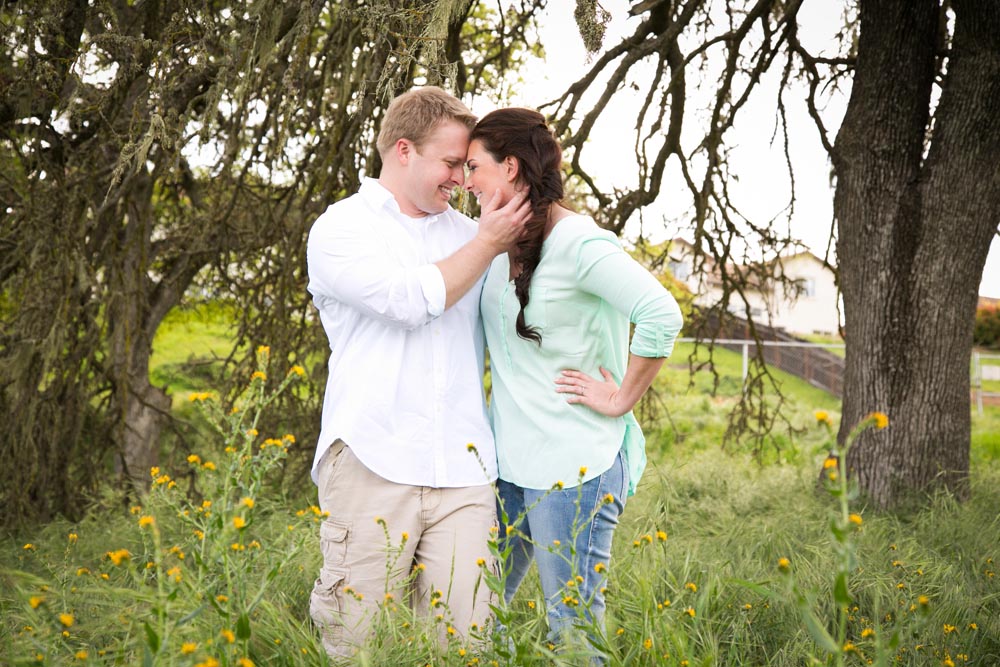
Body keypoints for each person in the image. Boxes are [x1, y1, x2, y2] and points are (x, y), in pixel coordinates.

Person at [305, 87, 531, 658]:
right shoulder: (341, 229)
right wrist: (487, 243)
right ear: (403, 150)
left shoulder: (472, 234)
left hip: (465, 469)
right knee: (353, 643)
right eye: (451, 162)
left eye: (465, 165)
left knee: (466, 646)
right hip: (371, 459)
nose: (460, 178)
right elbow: (408, 301)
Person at [464, 108, 683, 656]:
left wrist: (621, 397)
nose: (465, 181)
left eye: (473, 166)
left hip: (574, 469)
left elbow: (660, 312)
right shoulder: (493, 243)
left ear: (509, 167)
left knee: (572, 631)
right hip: (508, 470)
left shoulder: (579, 245)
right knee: (475, 617)